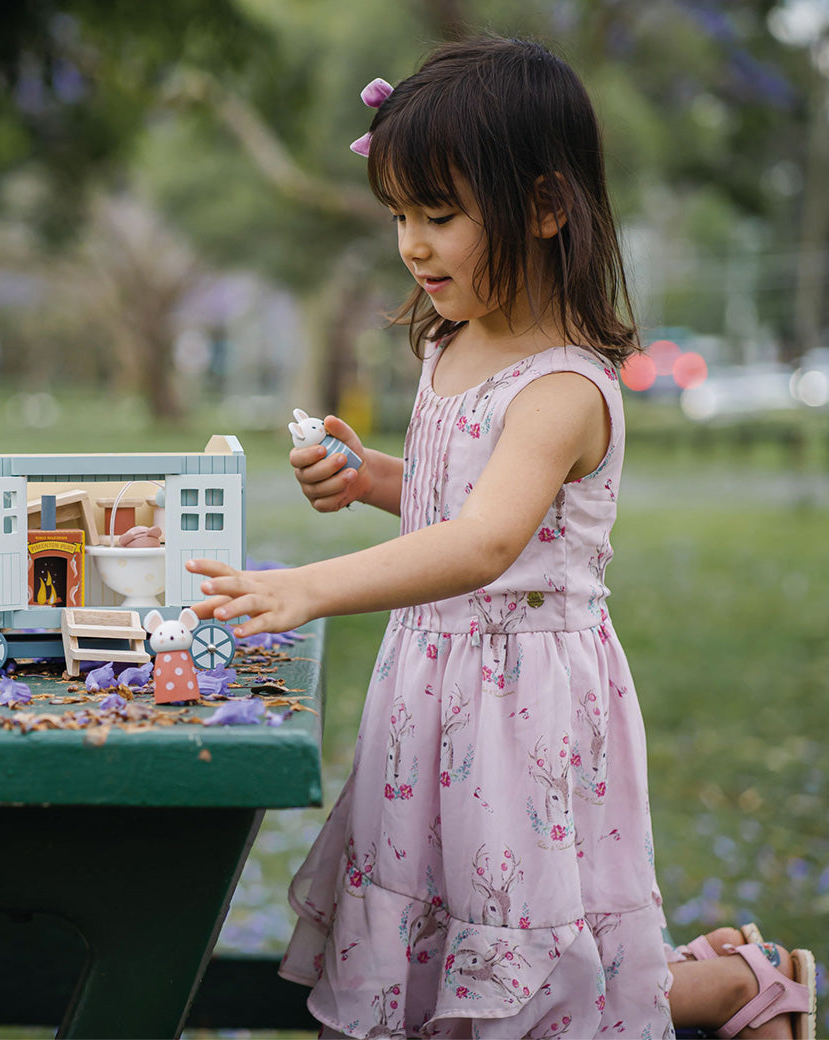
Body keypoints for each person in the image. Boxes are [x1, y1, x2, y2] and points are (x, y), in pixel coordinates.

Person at [188, 34, 816, 1040]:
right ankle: (733, 979)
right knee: (444, 934)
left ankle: (741, 985)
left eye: (438, 215)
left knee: (534, 955)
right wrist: (370, 480)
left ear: (544, 207)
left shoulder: (561, 387)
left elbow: (485, 543)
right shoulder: (452, 341)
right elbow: (453, 504)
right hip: (432, 691)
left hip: (518, 704)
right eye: (398, 215)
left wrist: (306, 585)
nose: (411, 245)